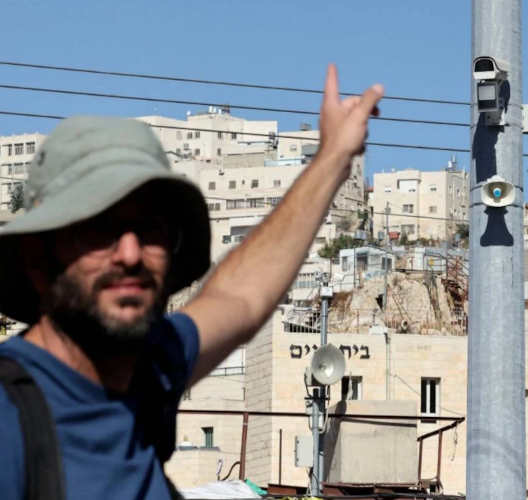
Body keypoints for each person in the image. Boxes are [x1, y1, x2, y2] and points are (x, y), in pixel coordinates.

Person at [0, 65, 383, 499]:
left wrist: (333, 157)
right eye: (98, 229)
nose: (130, 254)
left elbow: (240, 295)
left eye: (152, 230)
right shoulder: (10, 417)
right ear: (37, 260)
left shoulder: (148, 371)